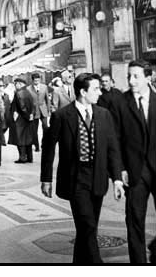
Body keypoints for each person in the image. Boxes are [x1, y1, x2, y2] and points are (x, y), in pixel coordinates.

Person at [41, 73, 124, 264]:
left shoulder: (104, 115)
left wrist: (117, 178)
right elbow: (48, 148)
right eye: (95, 89)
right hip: (75, 177)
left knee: (88, 227)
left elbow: (112, 148)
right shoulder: (62, 115)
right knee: (87, 224)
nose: (99, 92)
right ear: (83, 92)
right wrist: (46, 178)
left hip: (98, 177)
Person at [115, 59, 156, 264]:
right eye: (129, 76)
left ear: (149, 77)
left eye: (136, 76)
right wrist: (119, 169)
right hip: (134, 171)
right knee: (135, 221)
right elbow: (116, 140)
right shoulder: (121, 102)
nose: (131, 81)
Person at [8, 76, 35, 163]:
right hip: (27, 118)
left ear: (19, 84)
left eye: (15, 84)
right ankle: (30, 157)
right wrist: (30, 115)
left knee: (20, 139)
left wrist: (26, 116)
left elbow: (22, 106)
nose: (15, 86)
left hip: (21, 119)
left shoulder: (19, 93)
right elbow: (33, 105)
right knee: (28, 138)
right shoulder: (28, 92)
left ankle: (22, 158)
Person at [27, 72, 50, 152]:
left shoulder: (44, 87)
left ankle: (44, 144)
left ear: (40, 80)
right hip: (34, 111)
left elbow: (47, 99)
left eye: (38, 80)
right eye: (35, 81)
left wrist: (48, 110)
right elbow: (28, 101)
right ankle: (36, 145)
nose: (37, 82)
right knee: (34, 130)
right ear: (32, 81)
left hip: (43, 109)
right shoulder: (28, 89)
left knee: (45, 127)